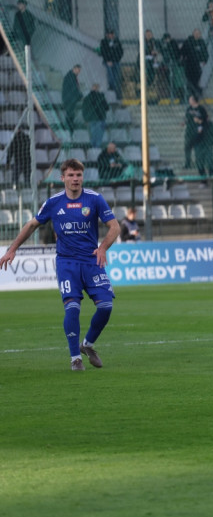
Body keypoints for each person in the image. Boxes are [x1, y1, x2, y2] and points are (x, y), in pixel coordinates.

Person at [0, 158, 119, 371]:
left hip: (92, 261)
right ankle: (75, 358)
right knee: (72, 309)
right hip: (67, 263)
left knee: (106, 307)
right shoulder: (54, 202)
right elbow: (32, 225)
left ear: (83, 177)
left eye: (79, 175)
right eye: (71, 175)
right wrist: (12, 249)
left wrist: (102, 248)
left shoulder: (95, 199)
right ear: (62, 178)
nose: (75, 179)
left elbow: (115, 227)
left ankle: (88, 344)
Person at [82, 83, 109, 149]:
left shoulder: (87, 98)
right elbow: (107, 108)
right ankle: (96, 150)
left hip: (91, 120)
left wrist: (85, 119)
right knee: (99, 137)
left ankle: (93, 150)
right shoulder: (101, 97)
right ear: (98, 89)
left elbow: (84, 110)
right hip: (100, 119)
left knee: (92, 136)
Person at [99, 30, 124, 100]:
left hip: (116, 61)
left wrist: (116, 59)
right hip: (108, 61)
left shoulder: (117, 42)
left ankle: (115, 91)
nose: (110, 36)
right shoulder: (104, 42)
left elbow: (120, 51)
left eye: (112, 34)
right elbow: (103, 51)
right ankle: (112, 88)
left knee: (116, 76)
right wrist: (108, 60)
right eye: (109, 34)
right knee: (111, 76)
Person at [62, 64, 82, 131]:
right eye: (78, 70)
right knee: (70, 116)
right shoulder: (71, 77)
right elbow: (74, 89)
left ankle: (69, 129)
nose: (79, 72)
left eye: (79, 71)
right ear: (74, 69)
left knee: (70, 116)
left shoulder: (71, 76)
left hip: (70, 99)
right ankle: (69, 130)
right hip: (70, 100)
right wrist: (80, 96)